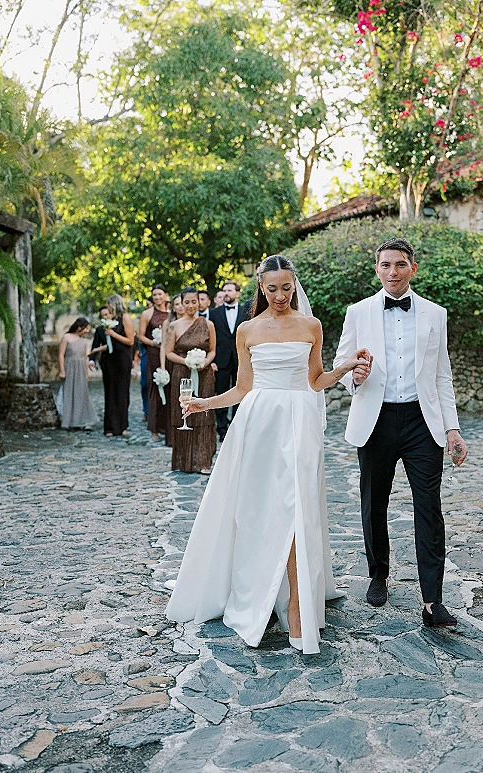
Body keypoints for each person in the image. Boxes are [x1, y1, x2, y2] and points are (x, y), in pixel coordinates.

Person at [166, 255, 370, 654]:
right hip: (258, 422)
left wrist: (345, 367)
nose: (280, 295)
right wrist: (205, 404)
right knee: (260, 509)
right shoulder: (247, 330)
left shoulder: (311, 326)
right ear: (261, 287)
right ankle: (259, 592)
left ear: (295, 286)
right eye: (272, 288)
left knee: (297, 507)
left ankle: (297, 604)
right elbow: (243, 388)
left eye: (287, 288)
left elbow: (315, 381)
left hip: (299, 421)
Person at [334, 237, 468, 628]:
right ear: (377, 269)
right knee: (374, 502)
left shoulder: (435, 314)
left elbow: (442, 375)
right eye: (386, 265)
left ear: (413, 268)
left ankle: (433, 601)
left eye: (400, 264)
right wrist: (354, 377)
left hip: (422, 422)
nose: (393, 272)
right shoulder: (358, 312)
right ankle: (378, 573)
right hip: (375, 421)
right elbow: (342, 366)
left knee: (429, 507)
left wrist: (452, 429)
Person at [165, 287, 217, 474]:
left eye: (194, 302)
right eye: (186, 302)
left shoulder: (208, 324)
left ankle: (203, 461)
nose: (190, 305)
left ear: (199, 302)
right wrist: (186, 362)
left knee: (204, 414)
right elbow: (169, 352)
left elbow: (213, 350)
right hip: (182, 373)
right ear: (181, 303)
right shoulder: (174, 326)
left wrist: (205, 362)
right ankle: (185, 462)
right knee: (184, 412)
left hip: (204, 374)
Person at [209, 281, 249, 441]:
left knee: (241, 393)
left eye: (230, 290)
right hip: (221, 359)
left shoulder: (246, 311)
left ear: (237, 293)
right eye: (224, 290)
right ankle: (222, 428)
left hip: (241, 359)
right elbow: (211, 338)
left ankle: (236, 427)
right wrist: (212, 359)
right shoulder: (214, 313)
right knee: (222, 392)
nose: (226, 293)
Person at [101, 294, 135, 437]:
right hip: (110, 358)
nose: (107, 307)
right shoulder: (110, 319)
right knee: (110, 392)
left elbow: (130, 340)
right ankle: (109, 427)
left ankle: (122, 426)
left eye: (108, 305)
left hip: (122, 358)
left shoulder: (125, 318)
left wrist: (113, 334)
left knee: (121, 392)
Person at [138, 284, 169, 441]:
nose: (157, 297)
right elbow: (140, 336)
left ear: (165, 295)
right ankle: (154, 429)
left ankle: (167, 426)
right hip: (153, 354)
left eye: (159, 294)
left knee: (170, 390)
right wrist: (154, 343)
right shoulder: (147, 314)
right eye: (154, 294)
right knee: (155, 389)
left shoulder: (171, 312)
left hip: (170, 354)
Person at [58, 317, 98, 430]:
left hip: (80, 368)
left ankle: (84, 420)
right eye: (86, 328)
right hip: (69, 366)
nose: (87, 331)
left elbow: (84, 357)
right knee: (69, 393)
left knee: (82, 394)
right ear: (79, 327)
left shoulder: (84, 341)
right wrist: (62, 370)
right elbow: (61, 354)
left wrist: (86, 373)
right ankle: (69, 421)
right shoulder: (66, 337)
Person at [161, 293, 185, 447]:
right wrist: (163, 367)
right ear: (173, 307)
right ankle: (172, 436)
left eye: (182, 303)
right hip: (171, 362)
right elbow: (163, 346)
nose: (180, 307)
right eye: (177, 304)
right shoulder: (168, 323)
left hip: (187, 361)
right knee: (172, 400)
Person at [139, 297, 153, 421]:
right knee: (145, 383)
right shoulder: (145, 315)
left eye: (148, 304)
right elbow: (141, 336)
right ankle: (146, 410)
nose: (147, 306)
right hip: (147, 350)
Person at [88, 306, 111, 371]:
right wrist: (91, 360)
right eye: (103, 315)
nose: (106, 316)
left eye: (107, 314)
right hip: (106, 360)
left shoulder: (120, 326)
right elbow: (95, 344)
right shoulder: (99, 329)